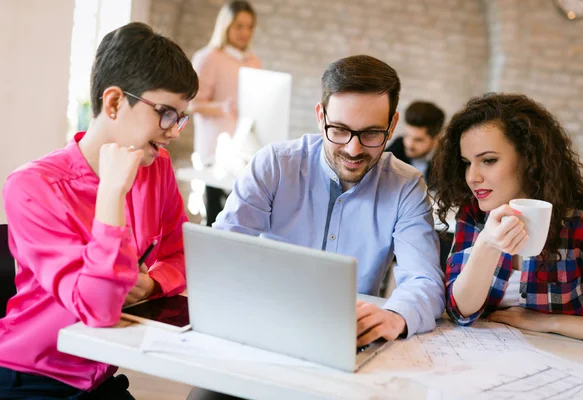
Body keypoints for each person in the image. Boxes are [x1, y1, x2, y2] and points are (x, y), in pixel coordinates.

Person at [0, 22, 198, 398]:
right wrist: (111, 194)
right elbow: (99, 311)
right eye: (166, 114)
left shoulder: (154, 168)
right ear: (113, 103)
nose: (174, 131)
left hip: (100, 378)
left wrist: (156, 282)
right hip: (29, 379)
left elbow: (183, 250)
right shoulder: (32, 187)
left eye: (181, 117)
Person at [213, 55, 445, 346]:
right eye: (340, 130)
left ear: (393, 123)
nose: (353, 149)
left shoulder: (406, 187)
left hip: (345, 339)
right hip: (261, 324)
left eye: (372, 133)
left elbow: (425, 282)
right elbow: (222, 250)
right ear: (321, 116)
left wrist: (396, 315)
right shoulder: (275, 165)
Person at [432, 92, 583, 344]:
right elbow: (459, 311)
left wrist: (549, 322)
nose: (472, 177)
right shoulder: (475, 216)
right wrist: (487, 243)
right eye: (467, 163)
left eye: (488, 160)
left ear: (529, 159)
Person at [190, 0, 261, 226]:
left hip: (241, 152)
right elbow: (190, 104)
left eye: (249, 27)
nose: (244, 32)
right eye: (239, 26)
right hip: (213, 152)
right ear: (225, 26)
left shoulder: (253, 61)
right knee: (213, 218)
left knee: (236, 217)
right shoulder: (208, 57)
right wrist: (221, 107)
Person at [386, 101, 445, 184]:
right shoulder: (397, 147)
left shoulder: (448, 159)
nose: (409, 144)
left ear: (436, 138)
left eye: (418, 140)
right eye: (407, 135)